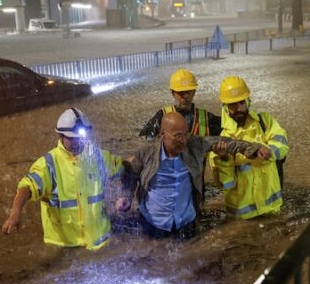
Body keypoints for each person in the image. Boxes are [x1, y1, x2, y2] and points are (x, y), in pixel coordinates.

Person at [122, 112, 269, 239]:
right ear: (163, 135)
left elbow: (228, 143)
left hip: (186, 223)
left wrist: (254, 149)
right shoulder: (146, 152)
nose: (184, 140)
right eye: (178, 136)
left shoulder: (194, 144)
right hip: (153, 223)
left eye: (186, 134)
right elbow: (131, 175)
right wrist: (126, 196)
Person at [1, 108, 127, 250]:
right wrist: (15, 213)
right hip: (65, 246)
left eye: (79, 137)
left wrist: (147, 158)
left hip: (100, 241)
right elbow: (27, 188)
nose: (76, 142)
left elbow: (123, 166)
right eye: (71, 138)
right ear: (60, 135)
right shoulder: (48, 165)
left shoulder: (98, 156)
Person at [210, 76, 289, 219]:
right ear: (226, 109)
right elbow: (225, 185)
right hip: (242, 218)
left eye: (241, 102)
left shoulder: (265, 121)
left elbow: (282, 143)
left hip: (271, 208)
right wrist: (223, 158)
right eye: (232, 105)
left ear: (248, 101)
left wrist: (269, 151)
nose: (238, 108)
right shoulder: (222, 140)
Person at [139, 68, 222, 139]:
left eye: (188, 92)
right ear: (173, 93)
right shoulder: (162, 116)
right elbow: (145, 139)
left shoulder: (207, 118)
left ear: (194, 92)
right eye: (180, 92)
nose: (185, 96)